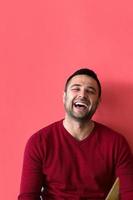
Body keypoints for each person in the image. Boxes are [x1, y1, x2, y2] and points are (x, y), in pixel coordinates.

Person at [18, 68, 133, 200]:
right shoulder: (39, 142)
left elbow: (129, 194)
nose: (82, 95)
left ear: (98, 102)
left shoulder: (117, 143)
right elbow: (28, 197)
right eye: (76, 88)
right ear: (64, 96)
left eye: (90, 91)